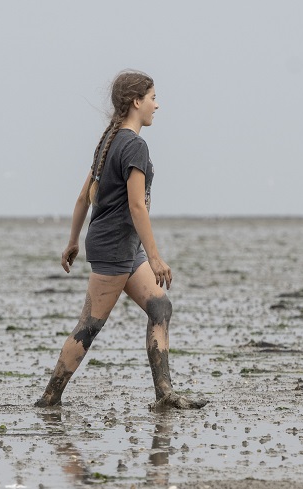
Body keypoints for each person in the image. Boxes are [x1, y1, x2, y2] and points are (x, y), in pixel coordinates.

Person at [35, 71, 207, 411]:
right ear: (136, 102)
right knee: (89, 326)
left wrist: (73, 241)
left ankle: (164, 395)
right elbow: (136, 205)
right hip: (114, 249)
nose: (157, 105)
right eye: (153, 98)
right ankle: (50, 398)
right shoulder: (134, 145)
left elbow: (83, 198)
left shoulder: (109, 140)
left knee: (160, 307)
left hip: (121, 247)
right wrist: (156, 257)